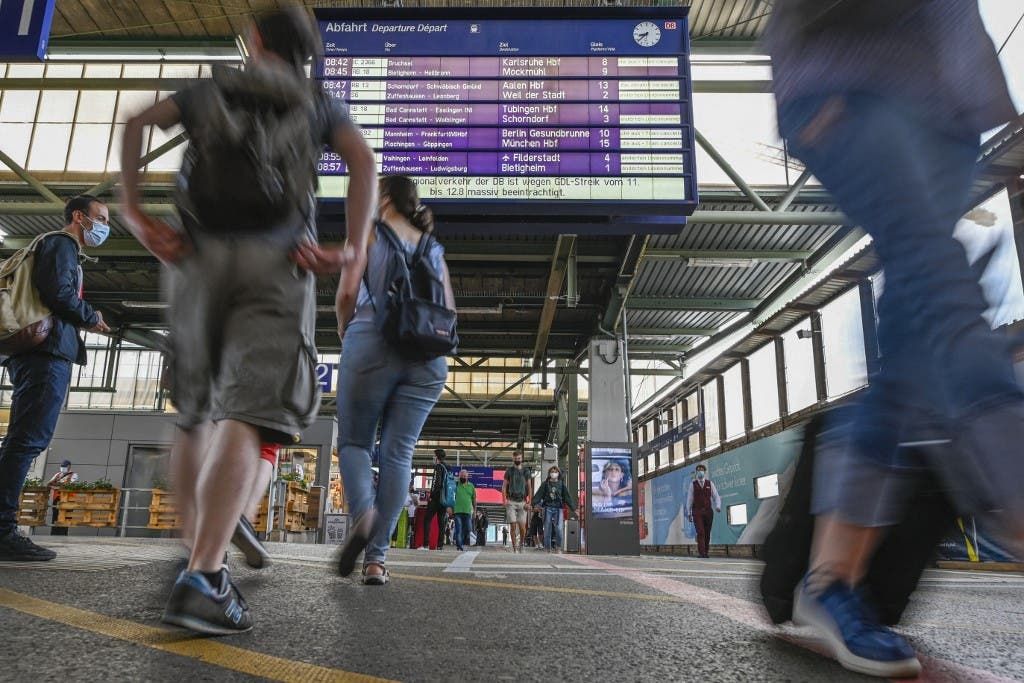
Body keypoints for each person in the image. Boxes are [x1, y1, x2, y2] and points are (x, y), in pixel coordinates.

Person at [763, 1, 1023, 677]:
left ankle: (830, 581)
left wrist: (988, 103)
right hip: (846, 77)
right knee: (938, 279)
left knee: (908, 344)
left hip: (949, 107)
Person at [120, 7, 376, 634]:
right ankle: (204, 575)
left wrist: (135, 214)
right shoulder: (319, 103)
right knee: (250, 412)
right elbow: (363, 164)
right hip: (278, 261)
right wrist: (350, 251)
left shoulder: (212, 89)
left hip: (195, 260)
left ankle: (194, 549)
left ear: (255, 40)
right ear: (306, 55)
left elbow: (135, 123)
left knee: (194, 413)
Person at [331, 176, 453, 584]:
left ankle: (364, 514)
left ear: (384, 200)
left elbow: (347, 294)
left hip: (372, 341)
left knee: (355, 444)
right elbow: (449, 310)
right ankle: (376, 561)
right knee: (399, 453)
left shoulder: (368, 233)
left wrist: (345, 330)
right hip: (428, 357)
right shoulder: (433, 247)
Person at [0, 195, 110, 561]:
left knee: (23, 440)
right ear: (80, 217)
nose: (105, 226)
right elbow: (58, 293)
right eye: (101, 218)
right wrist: (90, 316)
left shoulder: (56, 247)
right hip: (46, 355)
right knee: (26, 441)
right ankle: (3, 531)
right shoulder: (61, 243)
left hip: (36, 352)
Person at [532, 466, 578, 553]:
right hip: (547, 508)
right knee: (547, 528)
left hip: (558, 508)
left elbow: (567, 497)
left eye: (555, 471)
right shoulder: (545, 484)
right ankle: (547, 548)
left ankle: (558, 547)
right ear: (549, 473)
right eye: (552, 471)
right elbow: (538, 495)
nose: (554, 473)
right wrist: (533, 504)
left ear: (558, 473)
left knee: (559, 529)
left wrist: (574, 509)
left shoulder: (561, 484)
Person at [684, 464, 721, 559]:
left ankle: (706, 552)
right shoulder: (693, 484)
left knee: (707, 532)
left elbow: (716, 496)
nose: (700, 471)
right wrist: (689, 513)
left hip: (708, 512)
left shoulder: (710, 484)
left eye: (701, 470)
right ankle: (702, 553)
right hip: (697, 511)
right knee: (700, 532)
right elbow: (689, 499)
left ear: (705, 472)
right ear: (696, 473)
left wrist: (718, 506)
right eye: (698, 470)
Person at [502, 450, 533, 553]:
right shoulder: (509, 471)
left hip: (522, 502)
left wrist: (529, 502)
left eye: (519, 458)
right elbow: (504, 486)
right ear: (513, 459)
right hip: (511, 501)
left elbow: (529, 487)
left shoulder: (526, 471)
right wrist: (504, 500)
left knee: (522, 526)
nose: (517, 460)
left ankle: (522, 544)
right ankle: (515, 547)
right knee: (513, 525)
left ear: (522, 458)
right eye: (515, 458)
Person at [423, 449, 451, 550]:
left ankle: (426, 544)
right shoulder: (448, 467)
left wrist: (431, 496)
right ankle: (440, 545)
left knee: (427, 520)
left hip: (436, 498)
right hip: (444, 498)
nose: (433, 458)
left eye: (434, 456)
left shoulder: (438, 467)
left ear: (437, 457)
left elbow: (436, 483)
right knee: (441, 522)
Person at [46, 459, 79, 536]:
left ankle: (63, 535)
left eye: (64, 466)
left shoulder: (74, 475)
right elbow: (49, 483)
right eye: (62, 466)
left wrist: (56, 485)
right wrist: (55, 484)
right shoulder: (57, 474)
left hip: (69, 500)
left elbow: (69, 485)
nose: (62, 468)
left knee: (66, 517)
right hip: (57, 499)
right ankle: (54, 534)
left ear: (69, 466)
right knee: (55, 516)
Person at [453, 469, 476, 551]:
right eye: (461, 476)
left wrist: (475, 511)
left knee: (468, 529)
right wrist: (450, 507)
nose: (463, 477)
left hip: (467, 512)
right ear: (459, 476)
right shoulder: (455, 485)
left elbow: (474, 500)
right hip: (457, 511)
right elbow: (451, 497)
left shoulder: (471, 486)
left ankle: (463, 543)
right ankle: (459, 546)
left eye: (464, 476)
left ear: (467, 477)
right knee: (459, 529)